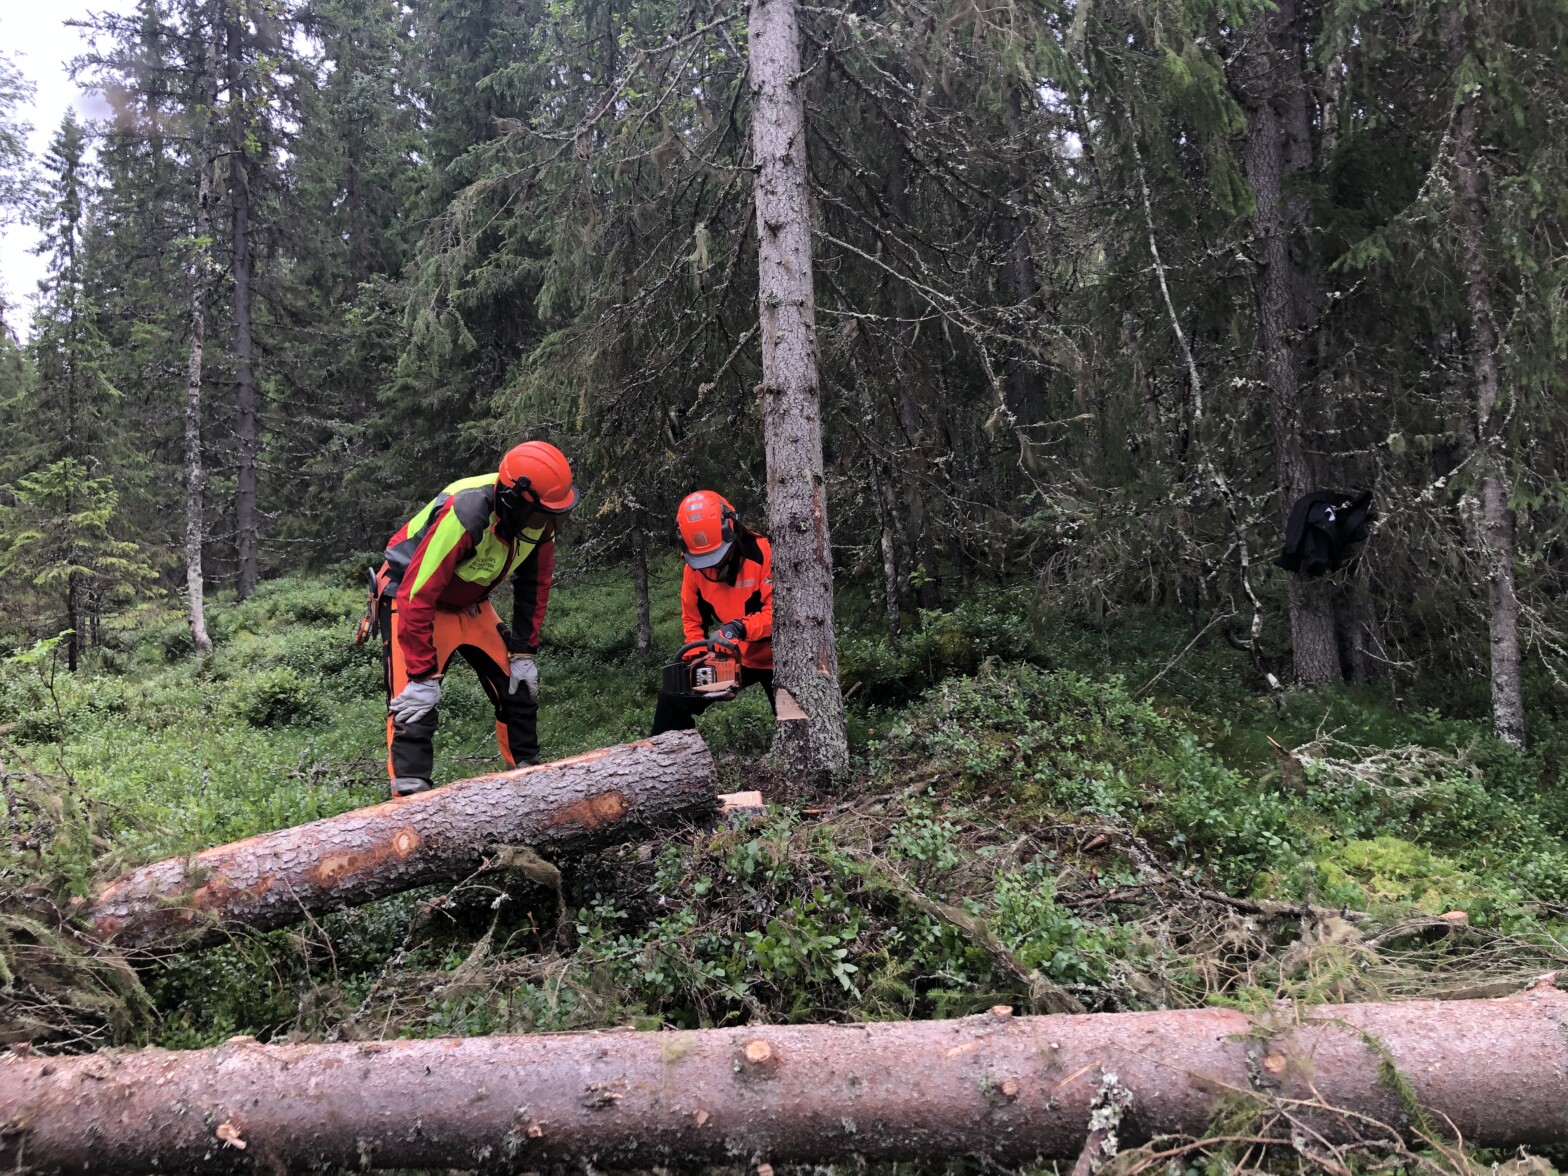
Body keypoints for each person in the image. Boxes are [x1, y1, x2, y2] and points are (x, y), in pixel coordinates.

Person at [375, 441, 578, 796]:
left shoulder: (540, 523)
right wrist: (423, 675)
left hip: (470, 600)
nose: (547, 523)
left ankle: (529, 786)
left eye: (552, 514)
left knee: (518, 689)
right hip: (410, 595)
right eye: (541, 514)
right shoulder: (468, 512)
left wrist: (524, 652)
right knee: (414, 708)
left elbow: (535, 585)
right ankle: (409, 806)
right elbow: (416, 593)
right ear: (514, 501)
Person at [650, 490, 775, 735]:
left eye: (717, 558)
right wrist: (697, 656)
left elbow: (777, 614)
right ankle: (668, 761)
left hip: (777, 659)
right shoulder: (694, 569)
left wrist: (738, 628)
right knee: (672, 697)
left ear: (732, 530)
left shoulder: (763, 553)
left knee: (795, 721)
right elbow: (692, 619)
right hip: (732, 660)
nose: (713, 568)